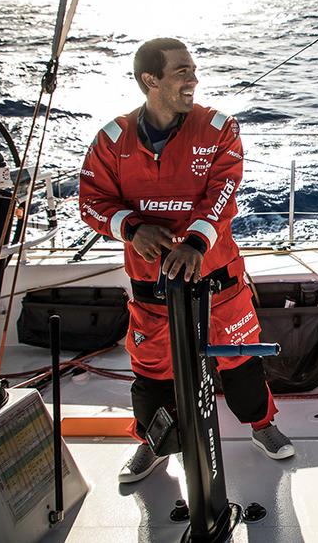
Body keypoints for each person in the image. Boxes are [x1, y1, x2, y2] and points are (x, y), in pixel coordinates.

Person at [79, 38, 294, 484]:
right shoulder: (112, 139)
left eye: (193, 69)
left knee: (239, 360)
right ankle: (153, 443)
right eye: (181, 71)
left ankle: (261, 425)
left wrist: (195, 243)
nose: (193, 79)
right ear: (150, 80)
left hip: (218, 282)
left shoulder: (218, 128)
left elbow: (224, 192)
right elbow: (91, 201)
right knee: (152, 368)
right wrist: (133, 229)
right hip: (150, 287)